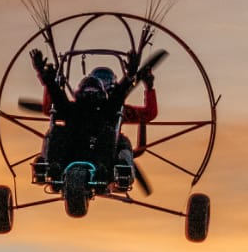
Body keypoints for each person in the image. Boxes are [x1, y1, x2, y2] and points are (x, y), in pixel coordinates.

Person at [33, 49, 156, 191]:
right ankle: (50, 164)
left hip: (100, 151)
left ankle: (121, 170)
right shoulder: (92, 110)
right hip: (74, 149)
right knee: (55, 131)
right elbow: (54, 104)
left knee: (118, 140)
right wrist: (47, 78)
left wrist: (46, 77)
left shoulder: (111, 110)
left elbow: (138, 108)